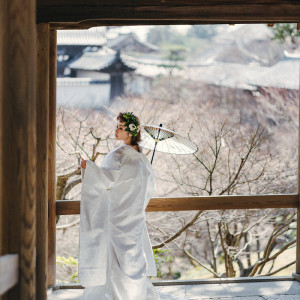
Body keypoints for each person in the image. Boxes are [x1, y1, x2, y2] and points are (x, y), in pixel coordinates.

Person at [79, 112, 168, 300]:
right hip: (134, 214)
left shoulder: (118, 154)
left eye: (120, 128)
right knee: (133, 257)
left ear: (131, 132)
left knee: (116, 259)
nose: (116, 130)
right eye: (117, 127)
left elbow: (105, 179)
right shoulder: (142, 158)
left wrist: (90, 168)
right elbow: (149, 188)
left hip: (118, 215)